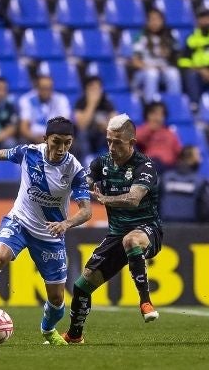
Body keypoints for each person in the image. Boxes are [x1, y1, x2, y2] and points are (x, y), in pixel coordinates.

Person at [0, 117, 92, 346]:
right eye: (56, 141)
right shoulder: (29, 153)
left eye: (67, 142)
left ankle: (48, 329)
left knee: (57, 298)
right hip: (19, 222)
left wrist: (66, 224)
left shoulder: (75, 170)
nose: (61, 148)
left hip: (50, 234)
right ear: (45, 139)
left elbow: (86, 211)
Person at [63, 114, 163, 344]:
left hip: (147, 229)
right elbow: (82, 184)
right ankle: (74, 335)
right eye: (109, 140)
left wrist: (106, 199)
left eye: (117, 142)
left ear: (132, 143)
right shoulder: (101, 163)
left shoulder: (144, 166)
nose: (112, 147)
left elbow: (134, 198)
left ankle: (145, 301)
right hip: (115, 235)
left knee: (132, 240)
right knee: (81, 287)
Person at [130, 8, 182, 103]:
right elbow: (135, 62)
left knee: (173, 73)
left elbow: (178, 58)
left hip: (163, 70)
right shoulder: (140, 36)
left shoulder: (169, 36)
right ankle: (150, 106)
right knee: (152, 74)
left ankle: (175, 105)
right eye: (152, 19)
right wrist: (149, 67)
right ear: (147, 21)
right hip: (143, 72)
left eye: (157, 19)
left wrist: (169, 54)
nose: (155, 22)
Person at [73, 76, 116, 161]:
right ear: (86, 90)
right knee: (82, 135)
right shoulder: (81, 103)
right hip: (85, 138)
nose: (95, 91)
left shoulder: (106, 103)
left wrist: (106, 126)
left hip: (101, 136)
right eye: (92, 88)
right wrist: (92, 104)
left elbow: (116, 125)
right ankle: (87, 160)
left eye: (98, 88)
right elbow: (81, 125)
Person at [19, 75, 72, 144]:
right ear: (37, 88)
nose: (46, 92)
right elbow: (24, 128)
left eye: (49, 88)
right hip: (33, 138)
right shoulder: (26, 99)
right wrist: (34, 137)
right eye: (43, 88)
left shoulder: (61, 99)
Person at [135, 101, 182, 171]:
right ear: (147, 115)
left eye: (161, 115)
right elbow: (131, 140)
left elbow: (179, 153)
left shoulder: (170, 134)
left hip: (169, 168)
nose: (158, 118)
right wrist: (149, 129)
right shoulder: (142, 129)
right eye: (154, 114)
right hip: (150, 166)